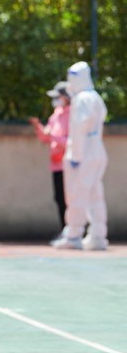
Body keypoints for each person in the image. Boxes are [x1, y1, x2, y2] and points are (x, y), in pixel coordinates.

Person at [52, 62, 108, 251]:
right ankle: (98, 236)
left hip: (83, 152)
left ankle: (74, 234)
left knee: (77, 194)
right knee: (95, 195)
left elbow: (79, 129)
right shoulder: (96, 98)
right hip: (97, 150)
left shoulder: (81, 99)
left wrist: (76, 155)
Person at [29, 81, 70, 237]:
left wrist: (54, 137)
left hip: (69, 164)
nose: (56, 100)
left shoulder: (73, 114)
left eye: (58, 96)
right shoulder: (56, 114)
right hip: (56, 165)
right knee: (59, 198)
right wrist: (38, 127)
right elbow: (47, 137)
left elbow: (71, 141)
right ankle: (65, 230)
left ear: (66, 97)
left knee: (69, 199)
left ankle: (72, 230)